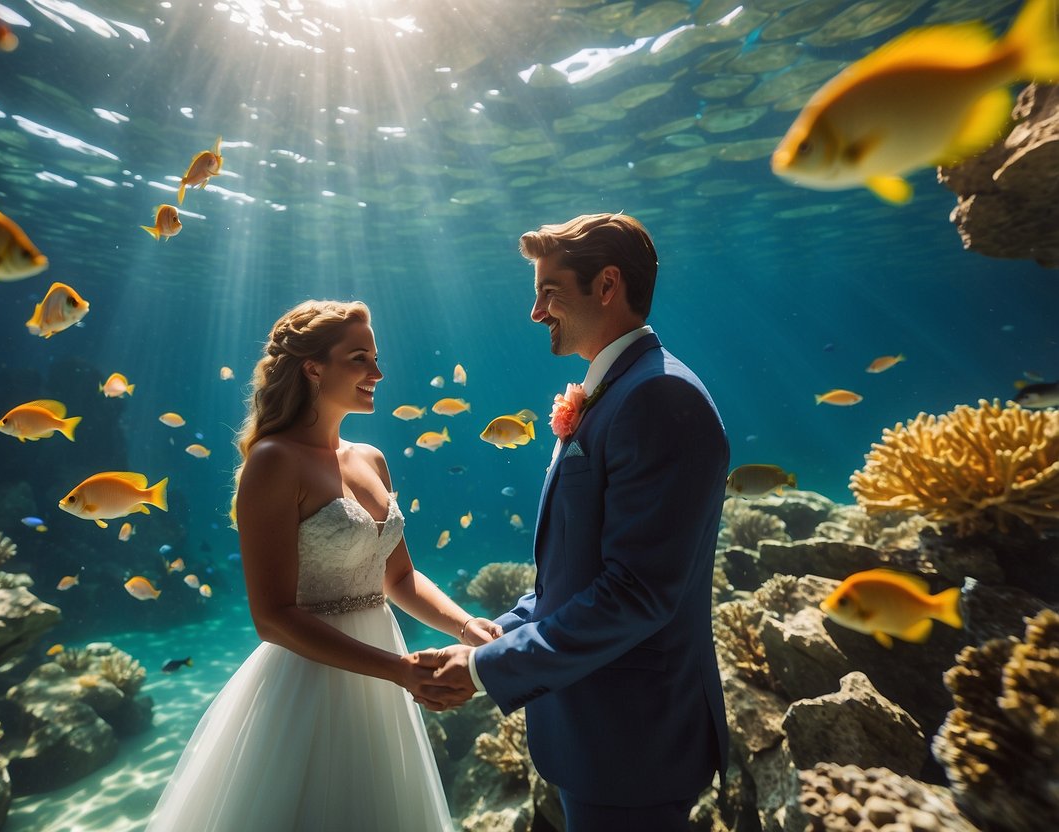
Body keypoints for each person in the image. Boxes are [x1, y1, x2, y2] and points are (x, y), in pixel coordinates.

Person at [415, 214, 730, 831]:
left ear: (607, 285)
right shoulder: (621, 389)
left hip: (633, 744)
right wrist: (496, 633)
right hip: (598, 738)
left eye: (549, 291)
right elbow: (577, 570)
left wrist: (484, 671)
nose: (536, 312)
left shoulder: (659, 398)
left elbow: (635, 592)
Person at [147, 299, 499, 832]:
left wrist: (466, 626)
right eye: (360, 358)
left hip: (384, 677)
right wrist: (400, 671)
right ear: (313, 367)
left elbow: (398, 577)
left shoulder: (373, 458)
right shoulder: (273, 462)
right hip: (309, 683)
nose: (378, 372)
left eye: (375, 358)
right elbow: (272, 617)